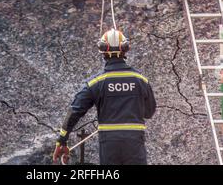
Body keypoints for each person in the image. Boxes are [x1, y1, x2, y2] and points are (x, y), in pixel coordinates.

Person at [53, 28, 156, 165]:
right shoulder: (141, 80)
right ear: (125, 50)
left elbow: (75, 111)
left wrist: (62, 140)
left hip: (109, 144)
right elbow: (149, 113)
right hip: (134, 142)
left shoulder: (96, 83)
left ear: (102, 51)